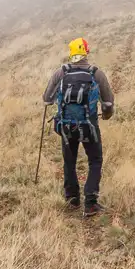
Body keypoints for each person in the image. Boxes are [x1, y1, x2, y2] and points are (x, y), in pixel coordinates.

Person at [40, 37, 114, 216]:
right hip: (89, 127)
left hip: (66, 127)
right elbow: (108, 103)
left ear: (71, 53)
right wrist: (105, 116)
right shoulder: (96, 73)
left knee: (69, 161)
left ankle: (72, 199)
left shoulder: (61, 72)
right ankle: (90, 203)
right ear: (86, 52)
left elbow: (47, 99)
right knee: (95, 161)